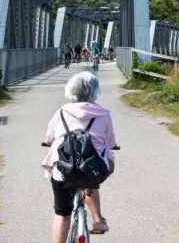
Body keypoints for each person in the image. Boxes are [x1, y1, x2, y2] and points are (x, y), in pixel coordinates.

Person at [42, 72, 116, 241]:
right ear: (95, 91)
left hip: (63, 168)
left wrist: (48, 142)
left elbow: (49, 138)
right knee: (89, 178)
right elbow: (110, 141)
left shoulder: (61, 113)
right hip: (92, 169)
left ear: (71, 90)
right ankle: (98, 221)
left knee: (62, 215)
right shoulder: (103, 114)